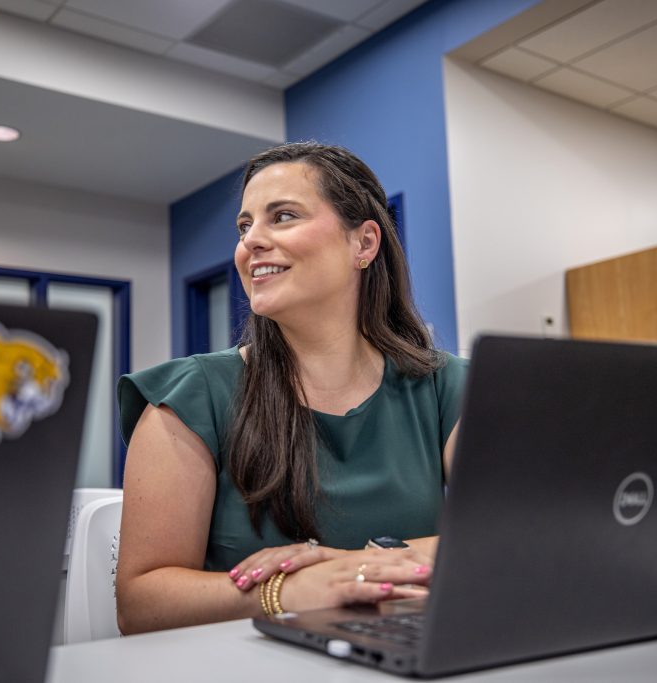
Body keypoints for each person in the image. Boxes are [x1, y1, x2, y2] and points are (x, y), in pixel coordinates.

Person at [115, 141, 468, 634]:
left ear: (364, 244)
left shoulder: (448, 386)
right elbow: (141, 603)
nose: (250, 242)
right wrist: (289, 592)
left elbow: (523, 534)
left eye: (282, 216)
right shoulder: (188, 397)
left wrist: (350, 570)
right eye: (244, 226)